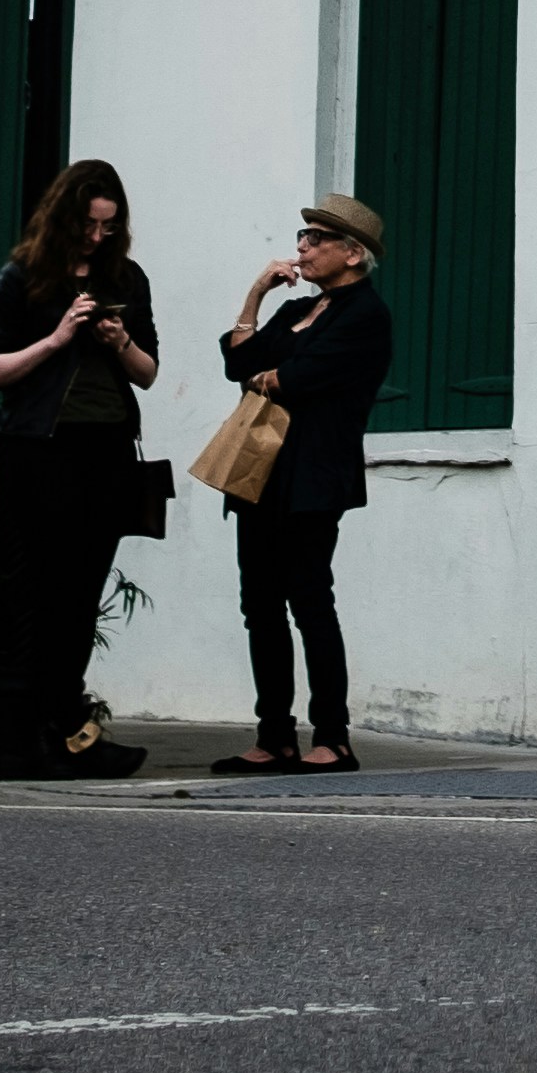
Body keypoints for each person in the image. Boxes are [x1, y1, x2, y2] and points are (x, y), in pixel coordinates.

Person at [0, 157, 161, 778]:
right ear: (64, 216)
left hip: (104, 451)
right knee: (26, 593)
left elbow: (149, 373)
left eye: (109, 226)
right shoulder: (25, 276)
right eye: (88, 223)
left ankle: (68, 731)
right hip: (36, 450)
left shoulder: (127, 279)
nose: (97, 237)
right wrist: (55, 339)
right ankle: (13, 738)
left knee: (79, 595)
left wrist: (118, 341)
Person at [210, 194, 396, 774]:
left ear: (352, 252)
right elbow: (240, 366)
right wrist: (257, 294)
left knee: (311, 602)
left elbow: (302, 377)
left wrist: (275, 375)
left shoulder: (365, 313)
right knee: (259, 607)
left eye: (316, 238)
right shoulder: (297, 311)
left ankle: (333, 738)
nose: (302, 247)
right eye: (302, 236)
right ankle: (275, 737)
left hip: (314, 475)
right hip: (260, 472)